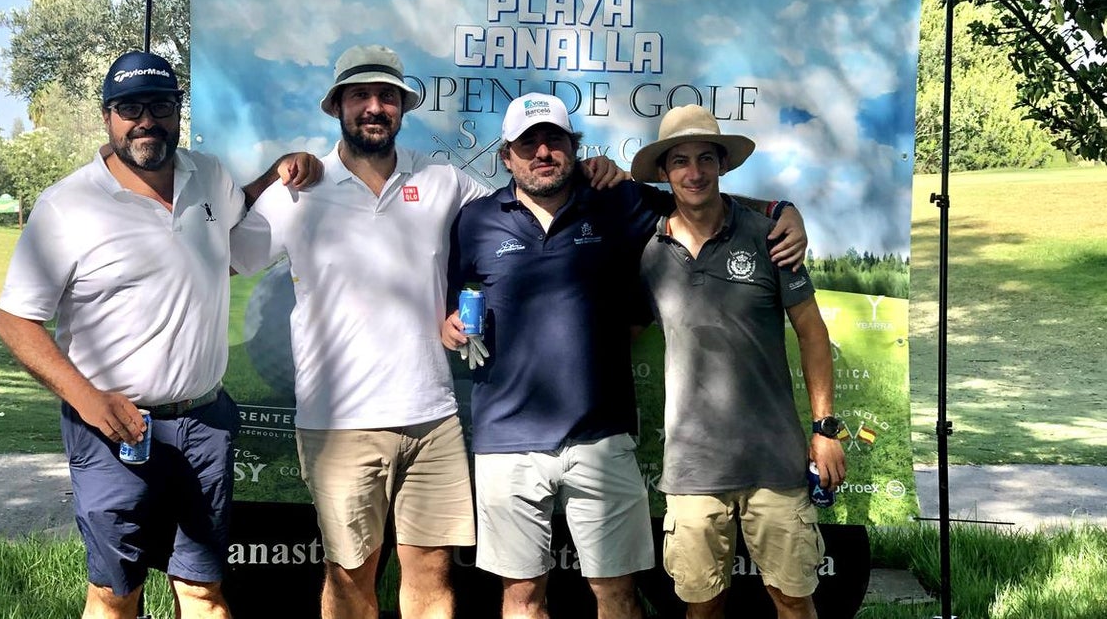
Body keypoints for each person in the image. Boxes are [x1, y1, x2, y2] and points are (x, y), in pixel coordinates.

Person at [229, 45, 619, 619]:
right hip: (339, 423)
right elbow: (232, 257)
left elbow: (521, 211)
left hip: (432, 416)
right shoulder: (298, 189)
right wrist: (273, 173)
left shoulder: (441, 180)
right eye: (360, 96)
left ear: (402, 108)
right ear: (337, 106)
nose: (374, 107)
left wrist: (592, 173)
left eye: (386, 96)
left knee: (432, 573)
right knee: (349, 577)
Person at [441, 94, 808, 619]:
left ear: (574, 148)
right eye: (528, 143)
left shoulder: (616, 201)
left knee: (617, 594)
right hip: (507, 441)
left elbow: (699, 199)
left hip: (602, 436)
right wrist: (449, 324)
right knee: (521, 598)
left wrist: (779, 210)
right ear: (506, 156)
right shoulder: (475, 221)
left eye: (554, 141)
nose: (542, 152)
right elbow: (450, 304)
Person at [0, 50, 319, 619]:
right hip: (113, 429)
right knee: (116, 595)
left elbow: (238, 213)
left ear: (177, 110)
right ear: (107, 117)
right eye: (130, 108)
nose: (146, 121)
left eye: (161, 106)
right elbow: (16, 320)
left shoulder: (208, 175)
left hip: (204, 422)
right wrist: (87, 400)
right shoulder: (68, 205)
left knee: (202, 591)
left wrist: (281, 170)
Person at [628, 105, 847, 619]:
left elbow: (812, 332)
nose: (694, 172)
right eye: (680, 161)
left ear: (722, 165)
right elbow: (621, 333)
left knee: (793, 600)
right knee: (702, 606)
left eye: (706, 158)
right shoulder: (648, 252)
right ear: (664, 173)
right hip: (692, 468)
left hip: (775, 462)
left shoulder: (769, 237)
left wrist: (825, 428)